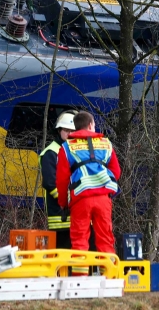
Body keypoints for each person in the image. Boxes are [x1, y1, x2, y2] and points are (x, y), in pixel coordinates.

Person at [56, 111, 121, 264]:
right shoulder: (106, 144)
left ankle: (81, 283)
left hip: (80, 200)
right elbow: (116, 172)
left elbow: (61, 180)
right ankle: (110, 280)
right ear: (91, 125)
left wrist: (64, 203)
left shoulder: (66, 147)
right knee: (105, 241)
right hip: (103, 200)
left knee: (79, 242)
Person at [39, 111, 76, 250]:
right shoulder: (52, 152)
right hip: (60, 218)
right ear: (59, 130)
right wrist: (69, 202)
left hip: (77, 217)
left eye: (73, 131)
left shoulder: (74, 150)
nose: (70, 134)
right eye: (66, 130)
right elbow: (50, 183)